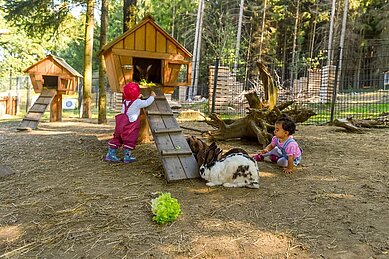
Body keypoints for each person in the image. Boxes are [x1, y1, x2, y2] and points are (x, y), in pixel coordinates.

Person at [105, 82, 155, 163]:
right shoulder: (137, 103)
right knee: (129, 140)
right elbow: (146, 103)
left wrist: (137, 97)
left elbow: (131, 99)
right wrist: (152, 96)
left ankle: (110, 154)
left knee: (117, 138)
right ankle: (127, 157)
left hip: (120, 125)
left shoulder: (125, 101)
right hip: (130, 126)